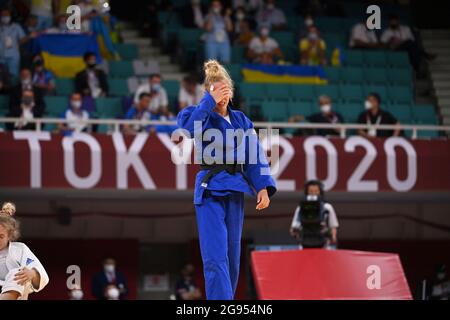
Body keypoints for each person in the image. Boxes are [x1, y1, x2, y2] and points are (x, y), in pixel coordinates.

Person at [177, 60, 276, 300]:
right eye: (216, 90)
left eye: (225, 90)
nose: (222, 95)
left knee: (232, 255)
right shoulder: (196, 114)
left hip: (235, 188)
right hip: (210, 189)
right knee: (215, 255)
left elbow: (254, 153)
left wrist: (262, 186)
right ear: (207, 92)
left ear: (231, 92)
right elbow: (188, 131)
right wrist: (208, 102)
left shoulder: (241, 120)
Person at [0, 202, 49, 300]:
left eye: (0, 237)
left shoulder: (20, 249)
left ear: (9, 236)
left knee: (18, 273)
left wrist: (32, 273)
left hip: (15, 293)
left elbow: (40, 272)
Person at [290, 180, 339, 249]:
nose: (313, 193)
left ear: (320, 192)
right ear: (307, 192)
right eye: (311, 191)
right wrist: (295, 233)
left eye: (316, 191)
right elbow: (294, 227)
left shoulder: (327, 207)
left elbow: (333, 226)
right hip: (305, 242)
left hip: (323, 243)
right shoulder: (300, 207)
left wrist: (333, 236)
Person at [0, 8, 28, 79]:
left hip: (13, 56)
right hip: (1, 57)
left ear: (10, 16)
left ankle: (13, 89)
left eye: (6, 14)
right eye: (2, 15)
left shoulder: (16, 26)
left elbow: (23, 39)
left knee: (14, 77)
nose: (5, 16)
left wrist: (29, 37)